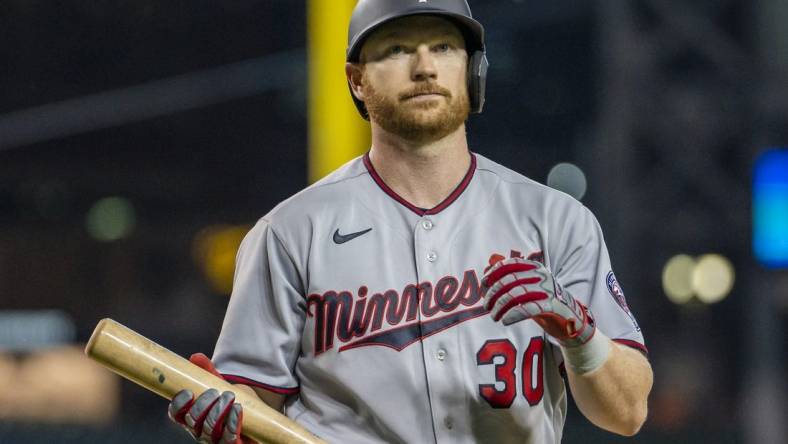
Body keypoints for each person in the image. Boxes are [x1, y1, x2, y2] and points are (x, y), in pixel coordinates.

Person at [167, 1, 654, 443]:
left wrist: (580, 336)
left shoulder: (555, 219)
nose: (424, 68)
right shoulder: (289, 232)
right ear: (356, 79)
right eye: (397, 49)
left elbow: (628, 413)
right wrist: (228, 418)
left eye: (443, 46)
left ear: (472, 69)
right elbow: (249, 403)